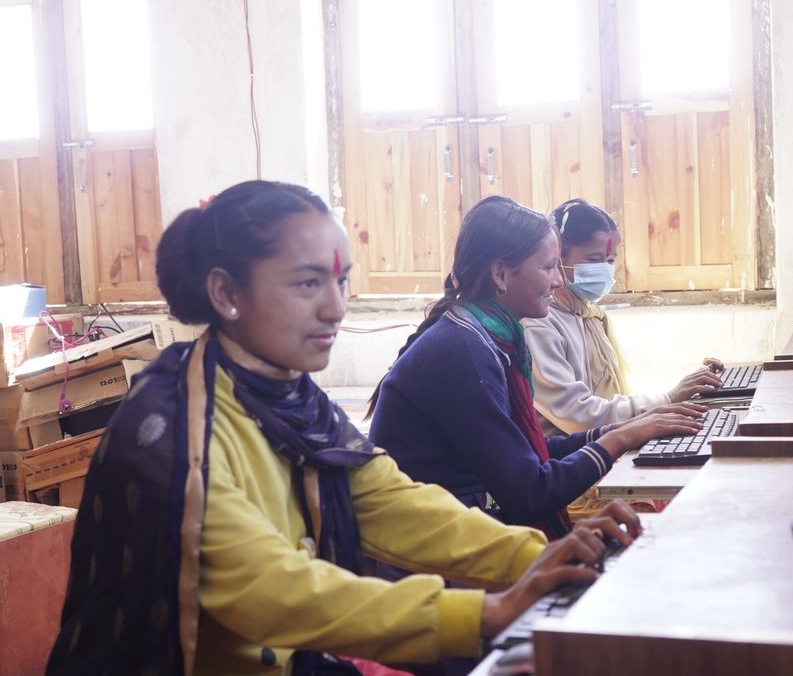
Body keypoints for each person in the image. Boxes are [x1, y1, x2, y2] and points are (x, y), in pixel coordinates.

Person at [46, 181, 641, 676]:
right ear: (226, 292)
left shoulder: (284, 392)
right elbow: (274, 591)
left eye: (341, 282)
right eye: (308, 284)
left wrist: (534, 556)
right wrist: (485, 612)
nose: (336, 308)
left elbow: (385, 500)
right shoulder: (173, 433)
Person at [367, 196, 704, 539]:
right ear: (500, 274)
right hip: (436, 548)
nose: (559, 281)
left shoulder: (480, 335)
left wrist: (622, 429)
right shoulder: (464, 350)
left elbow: (530, 453)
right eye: (548, 267)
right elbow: (531, 492)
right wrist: (622, 437)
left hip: (465, 526)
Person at [523, 198, 725, 437]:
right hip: (571, 459)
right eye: (594, 259)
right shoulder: (538, 324)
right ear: (558, 258)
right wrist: (668, 398)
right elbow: (577, 416)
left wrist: (686, 389)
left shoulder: (592, 316)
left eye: (610, 260)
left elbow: (614, 397)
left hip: (604, 444)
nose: (605, 269)